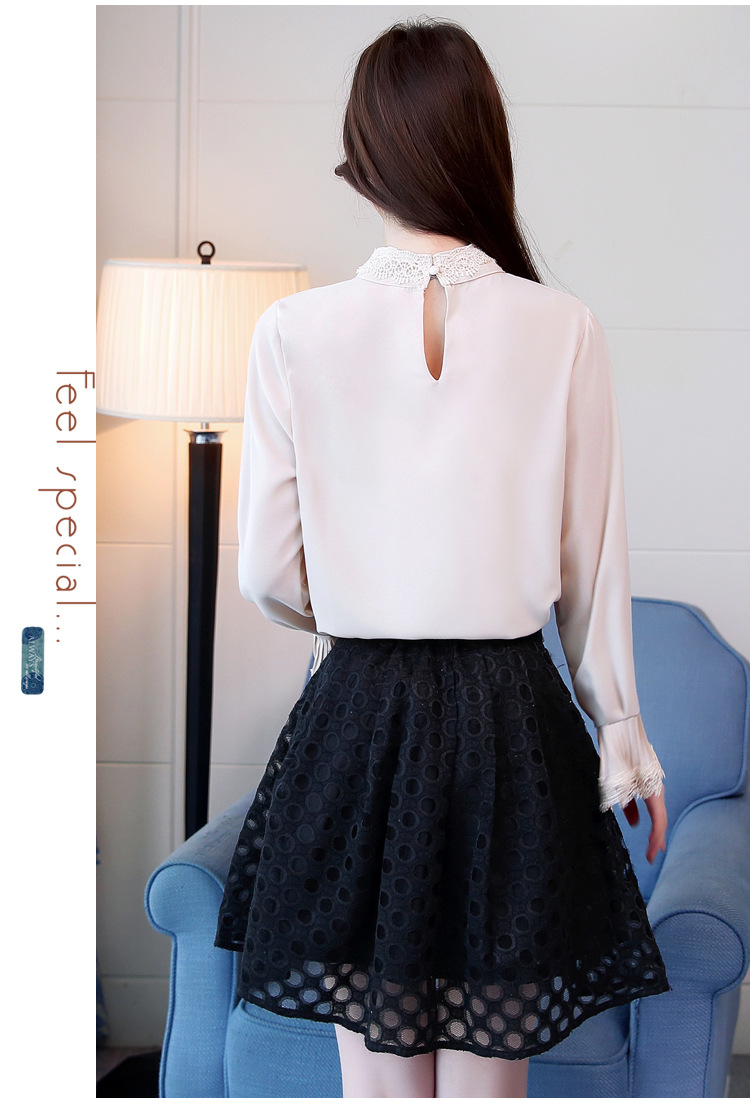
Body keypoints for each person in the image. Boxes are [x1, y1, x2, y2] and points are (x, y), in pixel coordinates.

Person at [214, 17, 672, 1099]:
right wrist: (624, 741)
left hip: (356, 721)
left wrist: (362, 597)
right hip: (511, 728)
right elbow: (591, 567)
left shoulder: (291, 330)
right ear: (482, 147)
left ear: (362, 157)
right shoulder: (564, 326)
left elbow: (267, 573)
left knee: (375, 1089)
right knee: (489, 1084)